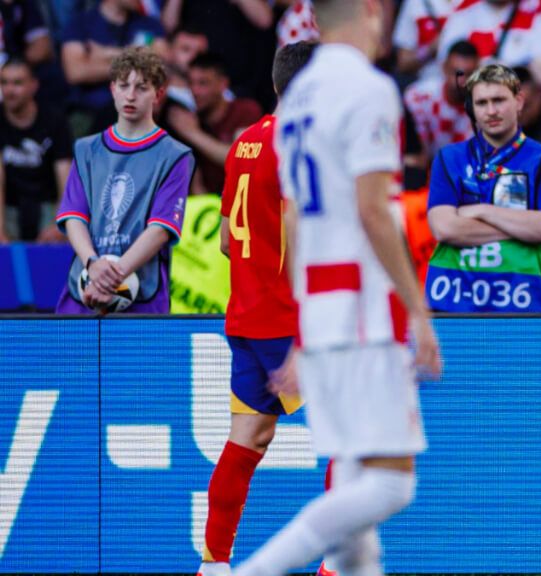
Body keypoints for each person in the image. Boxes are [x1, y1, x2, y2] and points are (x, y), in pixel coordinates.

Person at [232, 0, 441, 575]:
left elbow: (296, 218)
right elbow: (375, 213)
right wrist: (418, 312)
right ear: (373, 12)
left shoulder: (296, 99)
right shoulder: (368, 88)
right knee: (391, 488)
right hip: (364, 313)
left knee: (356, 511)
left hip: (321, 311)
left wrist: (301, 330)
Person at [196, 41, 315, 576]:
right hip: (287, 320)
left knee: (247, 441)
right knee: (354, 437)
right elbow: (302, 233)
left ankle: (214, 564)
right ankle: (338, 564)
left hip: (245, 317)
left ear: (275, 84)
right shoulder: (301, 145)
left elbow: (225, 240)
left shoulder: (245, 141)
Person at [54, 46, 193, 314]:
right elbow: (74, 217)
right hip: (85, 288)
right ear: (112, 89)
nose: (130, 95)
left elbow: (161, 229)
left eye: (142, 87)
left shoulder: (175, 155)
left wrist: (111, 278)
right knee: (69, 357)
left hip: (142, 297)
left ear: (159, 94)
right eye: (123, 85)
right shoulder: (86, 149)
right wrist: (93, 265)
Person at [425, 63, 541, 312]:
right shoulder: (449, 158)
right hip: (456, 299)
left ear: (519, 101)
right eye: (481, 103)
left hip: (524, 301)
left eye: (499, 100)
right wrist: (524, 228)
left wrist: (481, 211)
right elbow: (445, 228)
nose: (491, 111)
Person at [61, 0, 167, 135]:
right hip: (90, 112)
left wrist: (106, 53)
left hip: (138, 112)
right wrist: (138, 58)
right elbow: (76, 72)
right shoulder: (80, 23)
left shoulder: (149, 24)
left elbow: (160, 64)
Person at [168, 53, 264, 196]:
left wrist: (192, 133)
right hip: (204, 207)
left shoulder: (245, 110)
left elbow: (243, 161)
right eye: (191, 83)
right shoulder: (190, 117)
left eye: (203, 83)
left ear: (223, 84)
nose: (195, 91)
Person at [0, 58, 73, 243]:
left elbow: (65, 178)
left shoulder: (54, 120)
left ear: (33, 86)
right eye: (4, 82)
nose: (9, 90)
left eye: (17, 83)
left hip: (46, 203)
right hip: (8, 206)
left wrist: (59, 223)